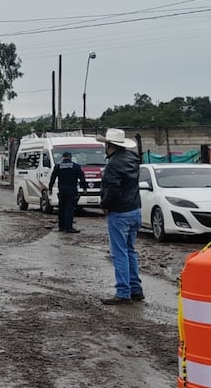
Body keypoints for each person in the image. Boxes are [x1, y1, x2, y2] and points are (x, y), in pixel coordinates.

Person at [97, 128, 144, 305]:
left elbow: (113, 191)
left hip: (120, 213)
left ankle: (123, 292)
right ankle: (135, 289)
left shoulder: (113, 164)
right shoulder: (133, 159)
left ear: (109, 145)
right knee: (130, 251)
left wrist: (105, 205)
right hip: (135, 209)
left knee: (119, 253)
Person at [48, 151, 87, 233]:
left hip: (62, 190)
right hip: (72, 190)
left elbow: (53, 178)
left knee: (61, 208)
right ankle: (69, 227)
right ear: (71, 157)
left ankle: (61, 227)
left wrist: (50, 188)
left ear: (63, 157)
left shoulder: (58, 166)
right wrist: (84, 188)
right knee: (70, 209)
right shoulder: (76, 166)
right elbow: (82, 178)